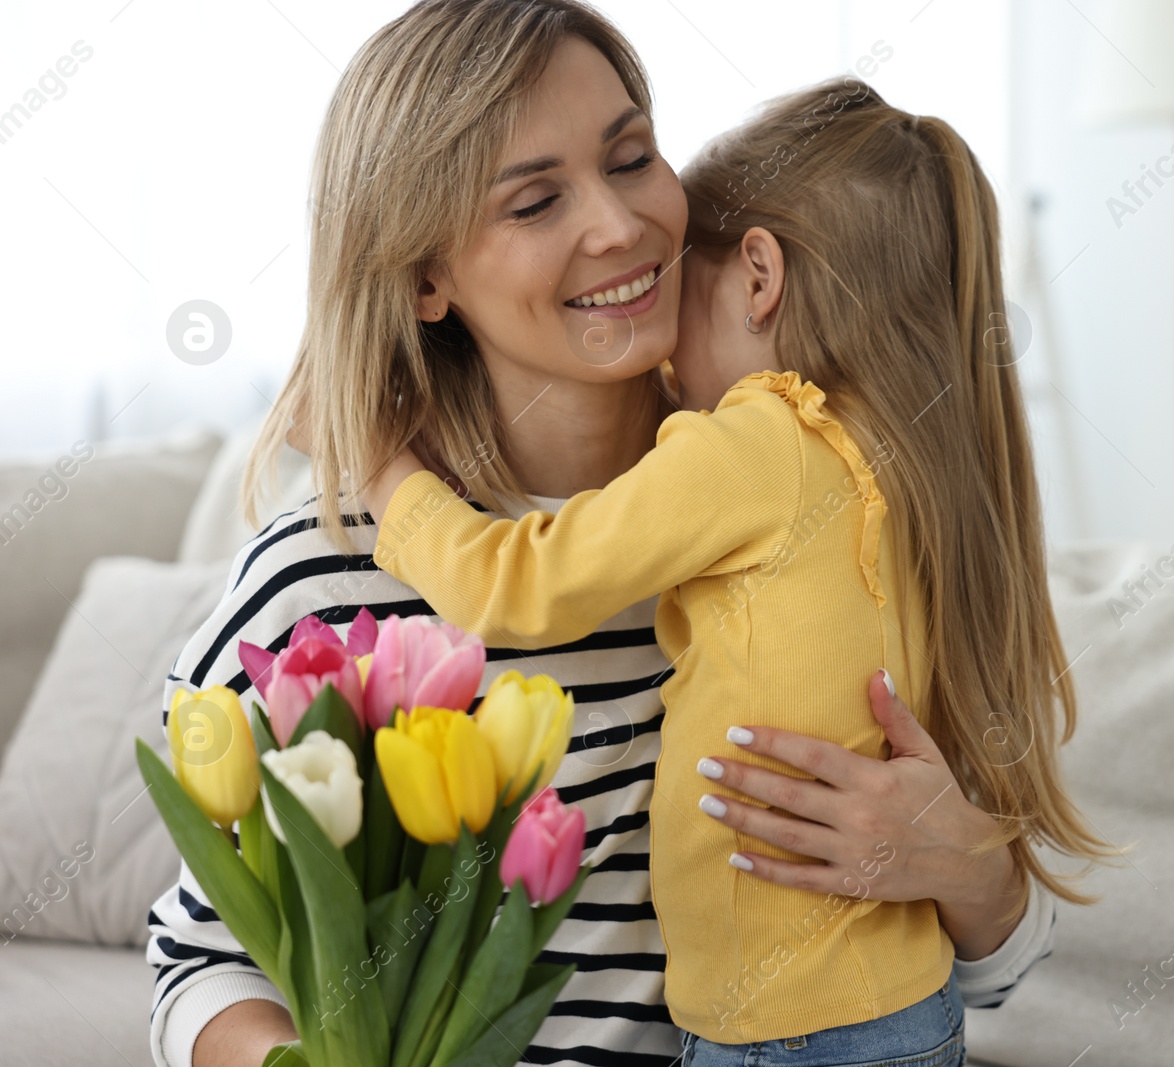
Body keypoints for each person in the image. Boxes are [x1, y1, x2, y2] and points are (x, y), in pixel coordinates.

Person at [147, 4, 1063, 1066]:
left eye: (633, 158)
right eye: (535, 200)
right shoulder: (321, 585)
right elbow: (202, 958)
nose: (621, 225)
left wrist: (965, 864)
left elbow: (1000, 967)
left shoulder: (821, 517)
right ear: (424, 277)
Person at [359, 76, 1113, 1064]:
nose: (642, 285)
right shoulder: (902, 477)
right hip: (898, 1010)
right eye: (538, 199)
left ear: (758, 275)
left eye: (679, 273)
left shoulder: (753, 443)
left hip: (786, 1033)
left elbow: (512, 585)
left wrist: (382, 470)